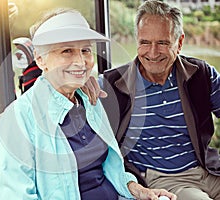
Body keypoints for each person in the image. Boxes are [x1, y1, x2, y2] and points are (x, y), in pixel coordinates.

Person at [0, 8, 176, 200]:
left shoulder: (90, 101)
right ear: (40, 60)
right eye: (67, 51)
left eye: (85, 50)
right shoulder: (19, 117)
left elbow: (109, 170)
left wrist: (138, 190)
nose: (81, 61)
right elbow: (16, 195)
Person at [89, 1, 220, 199]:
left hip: (210, 168)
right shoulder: (111, 85)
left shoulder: (202, 74)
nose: (152, 52)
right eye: (144, 42)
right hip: (165, 180)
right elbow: (66, 103)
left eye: (162, 43)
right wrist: (78, 83)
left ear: (180, 42)